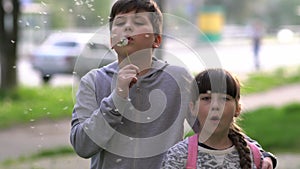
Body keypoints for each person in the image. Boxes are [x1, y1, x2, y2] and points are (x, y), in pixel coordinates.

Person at [70, 0, 277, 168]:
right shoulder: (93, 81)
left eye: (139, 21)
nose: (128, 26)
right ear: (112, 39)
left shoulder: (177, 78)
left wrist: (260, 153)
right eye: (120, 22)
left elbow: (214, 125)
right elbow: (83, 146)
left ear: (157, 40)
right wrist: (117, 97)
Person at [161, 68, 277, 169]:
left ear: (237, 109)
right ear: (193, 108)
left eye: (224, 99)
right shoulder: (178, 155)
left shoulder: (254, 155)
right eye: (206, 98)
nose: (215, 106)